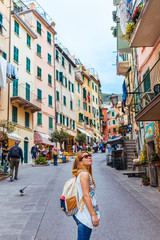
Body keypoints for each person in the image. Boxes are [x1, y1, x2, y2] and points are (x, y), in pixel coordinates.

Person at [72, 152, 100, 240]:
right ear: (80, 162)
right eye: (86, 157)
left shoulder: (83, 173)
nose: (89, 158)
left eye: (90, 156)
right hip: (84, 213)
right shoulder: (84, 174)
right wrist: (93, 214)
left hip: (83, 212)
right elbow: (86, 196)